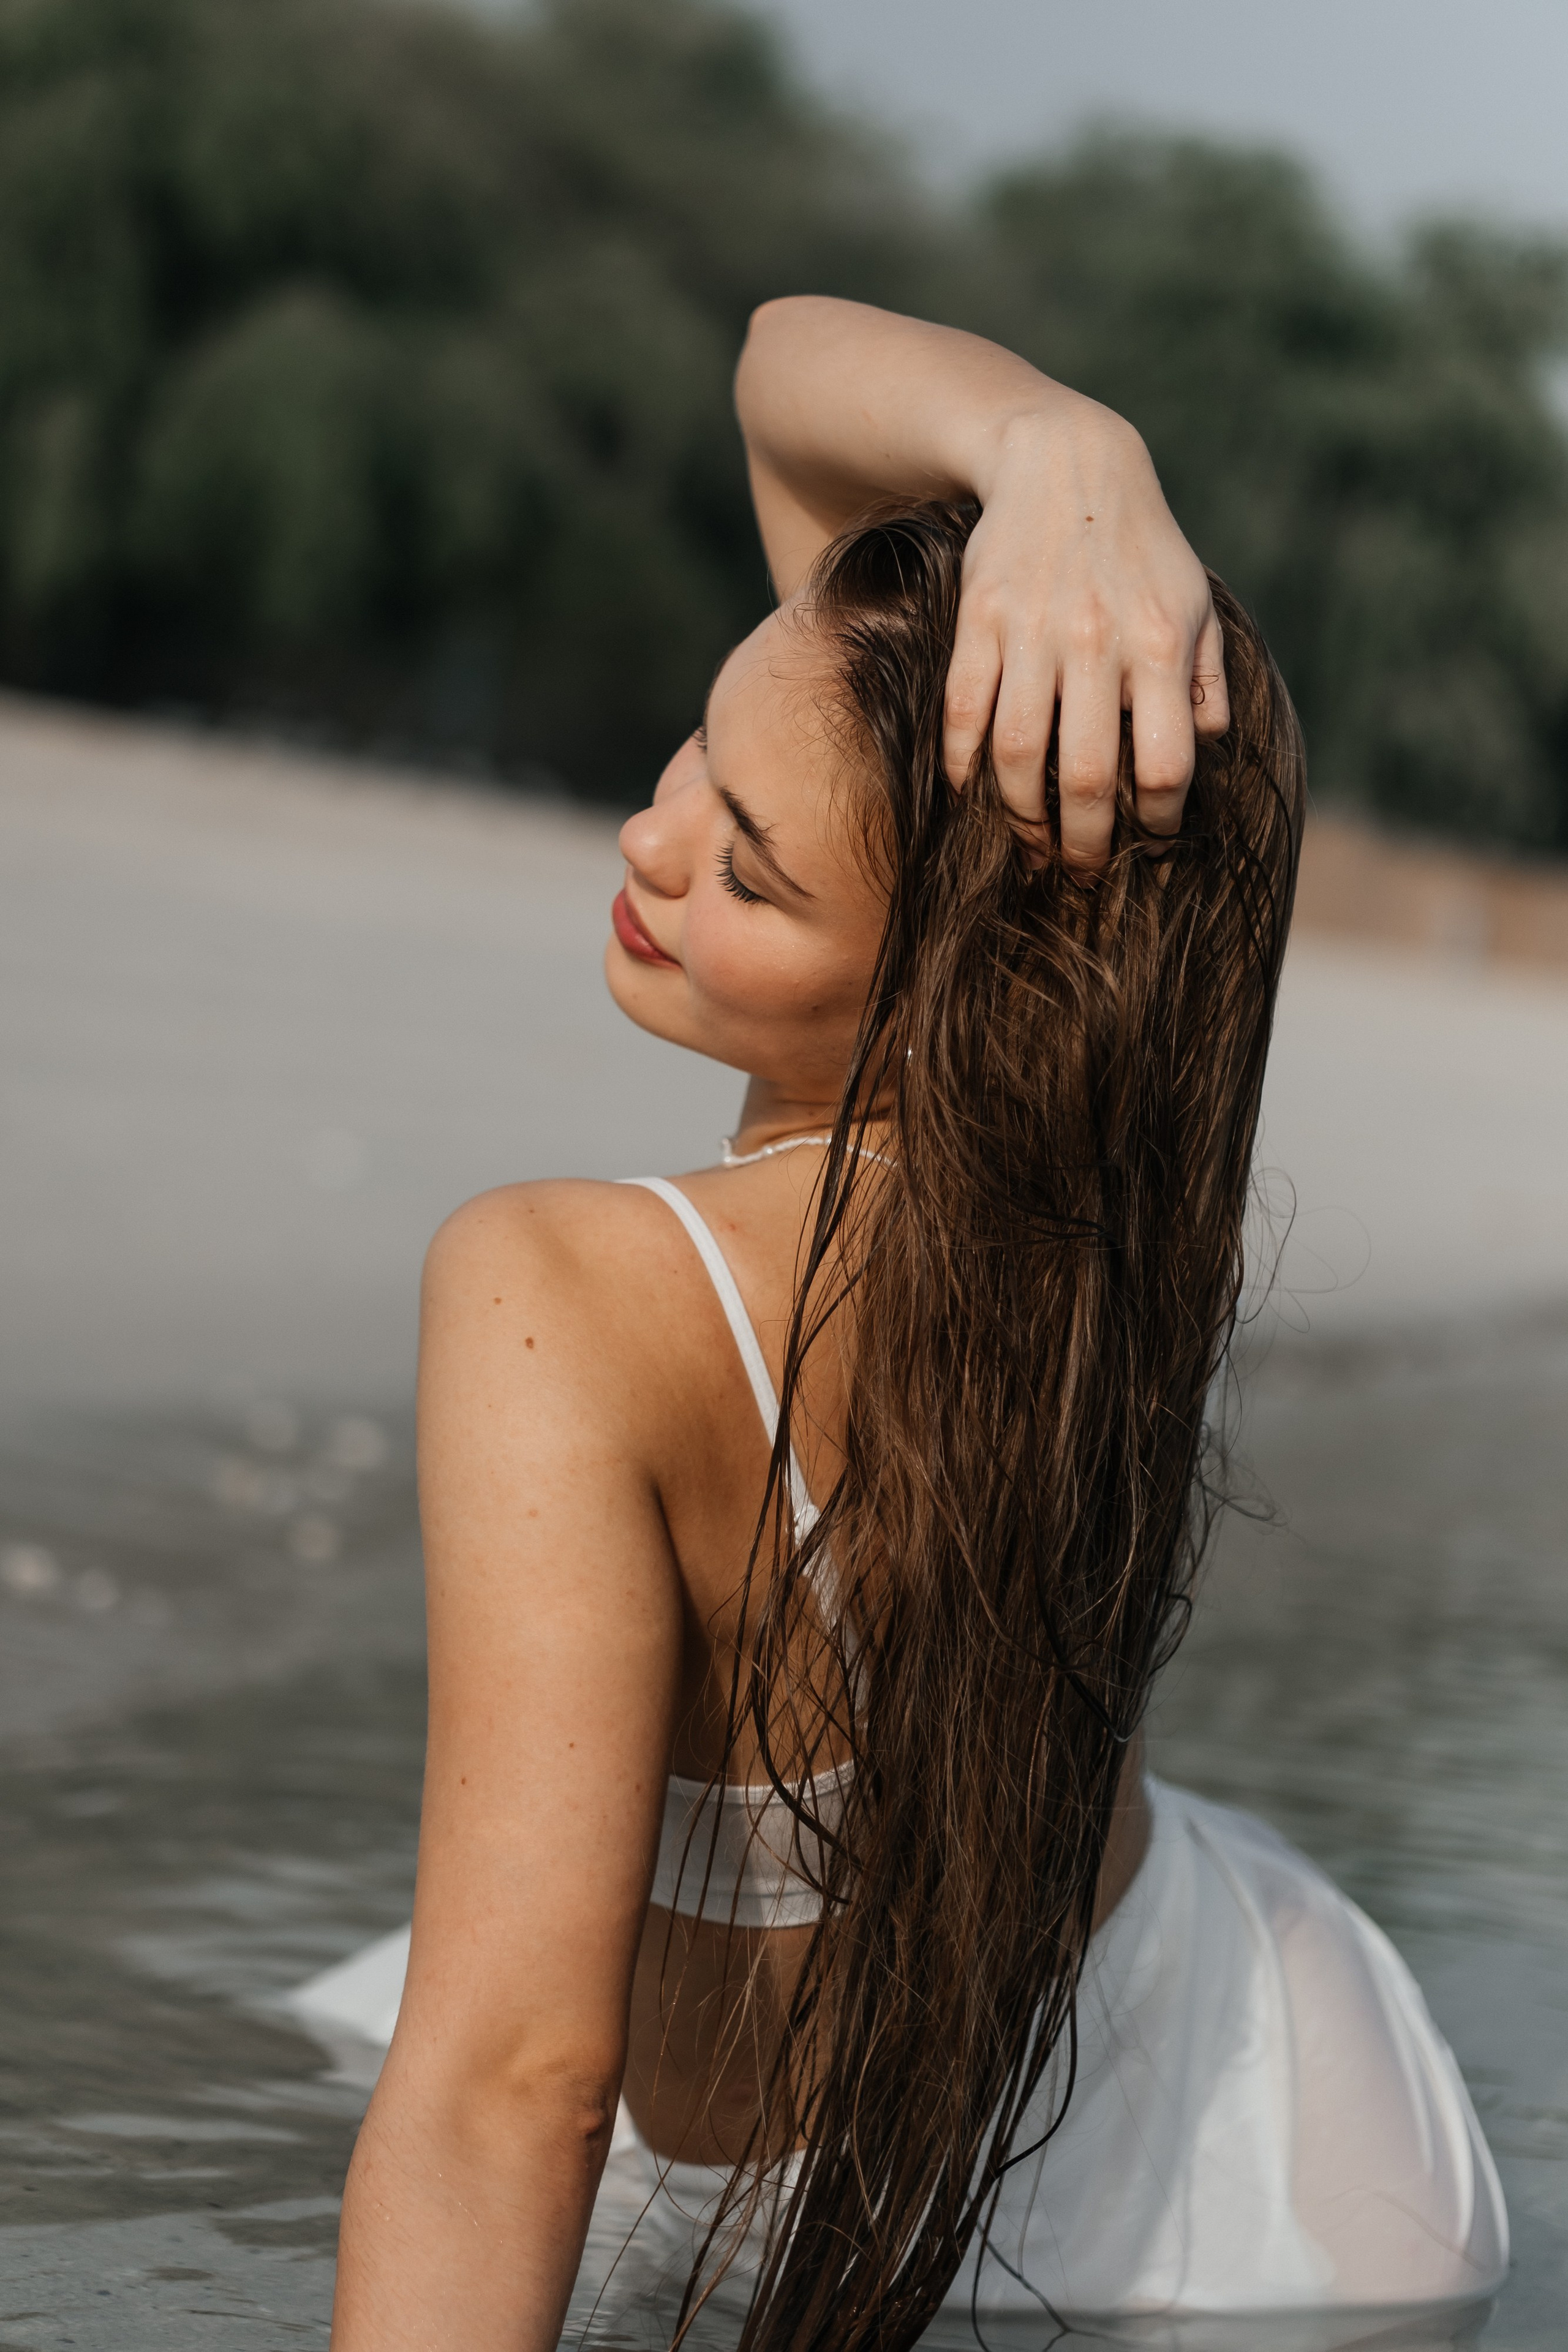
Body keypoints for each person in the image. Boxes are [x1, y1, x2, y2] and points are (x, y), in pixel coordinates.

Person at [295, 299, 1507, 2350]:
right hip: (1268, 2154)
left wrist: (1048, 444)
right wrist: (1061, 455)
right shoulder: (1109, 1186)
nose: (651, 842)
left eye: (749, 875)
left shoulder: (559, 1288)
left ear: (952, 990)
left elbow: (520, 2087)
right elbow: (783, 372)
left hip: (929, 2166)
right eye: (697, 751)